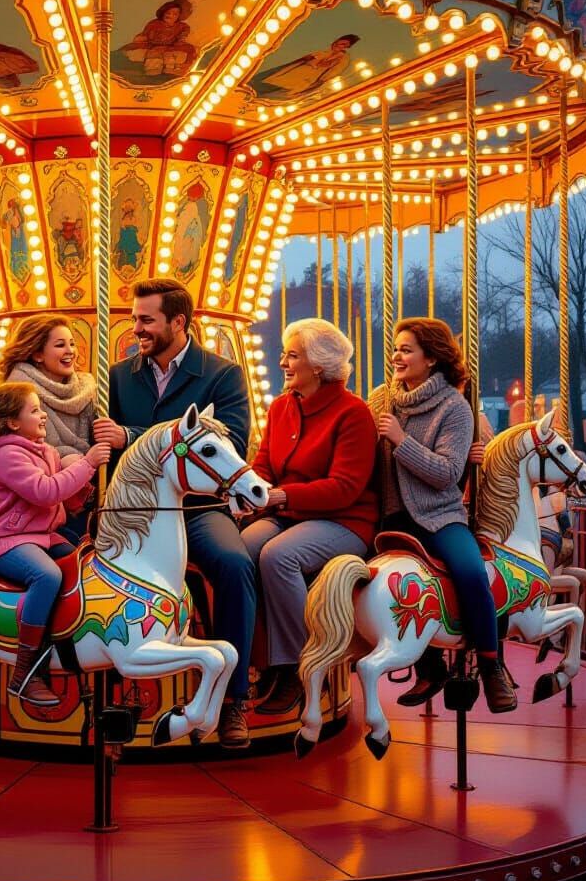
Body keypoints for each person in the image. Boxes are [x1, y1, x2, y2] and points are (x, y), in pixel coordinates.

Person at [93, 277, 257, 748]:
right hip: (137, 511)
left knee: (234, 564)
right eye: (134, 319)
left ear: (178, 322)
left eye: (146, 320)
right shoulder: (118, 376)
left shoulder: (222, 374)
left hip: (198, 507)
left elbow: (232, 441)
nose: (136, 329)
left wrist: (131, 436)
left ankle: (234, 698)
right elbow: (98, 437)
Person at [368, 317, 517, 713]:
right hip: (392, 517)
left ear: (431, 358)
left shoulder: (454, 408)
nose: (396, 356)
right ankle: (429, 666)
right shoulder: (382, 400)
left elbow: (446, 474)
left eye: (406, 350)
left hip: (439, 516)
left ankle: (491, 666)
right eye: (395, 349)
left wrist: (400, 440)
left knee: (470, 572)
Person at [241, 319, 379, 714]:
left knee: (279, 556)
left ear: (318, 366)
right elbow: (265, 463)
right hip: (287, 513)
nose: (283, 362)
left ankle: (300, 666)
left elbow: (344, 487)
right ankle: (259, 657)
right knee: (241, 550)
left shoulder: (352, 413)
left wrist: (283, 495)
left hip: (343, 519)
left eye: (292, 355)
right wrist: (251, 489)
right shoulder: (281, 406)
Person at [0, 382, 110, 706]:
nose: (43, 415)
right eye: (34, 410)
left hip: (40, 535)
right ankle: (26, 672)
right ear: (12, 422)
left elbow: (64, 494)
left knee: (84, 567)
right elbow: (45, 492)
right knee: (47, 576)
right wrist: (87, 463)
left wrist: (88, 487)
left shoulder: (43, 450)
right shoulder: (6, 455)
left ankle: (71, 651)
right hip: (5, 539)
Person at [0, 315, 97, 465]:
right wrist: (62, 461)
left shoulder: (86, 389)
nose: (70, 351)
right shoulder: (17, 394)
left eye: (72, 344)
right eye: (60, 345)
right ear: (38, 355)